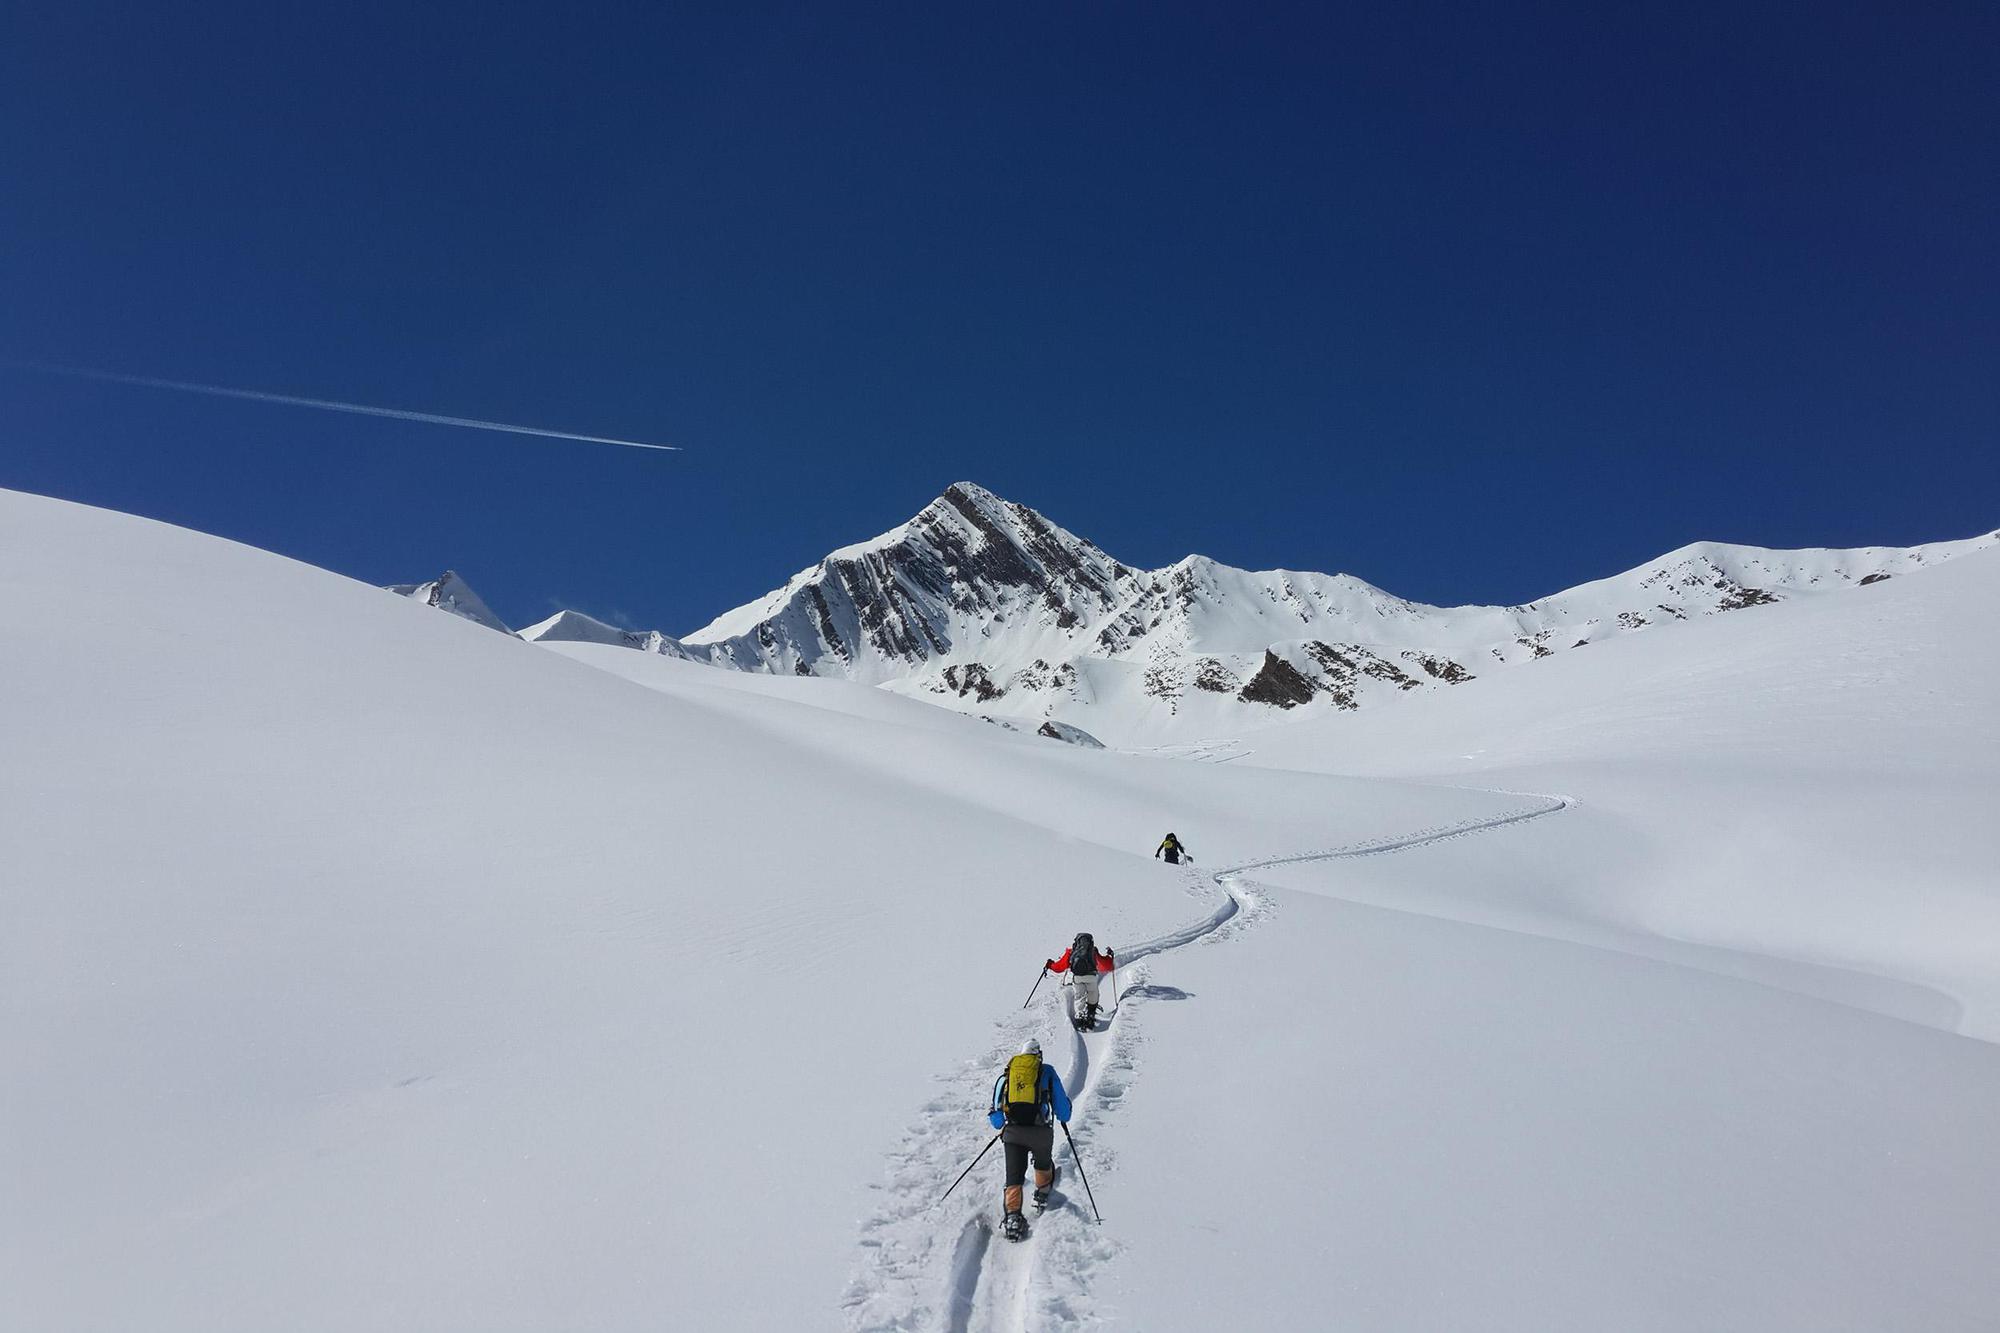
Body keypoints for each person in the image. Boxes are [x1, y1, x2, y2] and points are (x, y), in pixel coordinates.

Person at [988, 1038, 1072, 1239]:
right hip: (1040, 1133)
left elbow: (996, 1119)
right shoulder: (1047, 1072)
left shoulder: (1007, 1075)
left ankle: (1013, 1217)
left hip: (1013, 1134)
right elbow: (1063, 1112)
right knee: (1043, 1165)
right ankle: (1042, 1194)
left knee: (1013, 1177)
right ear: (1038, 1055)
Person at [1046, 932, 1115, 1030]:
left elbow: (1059, 967)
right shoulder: (1093, 951)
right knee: (1093, 993)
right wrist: (1110, 957)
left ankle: (1080, 1013)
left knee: (1079, 995)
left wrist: (1050, 965)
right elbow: (1106, 966)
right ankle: (1090, 1013)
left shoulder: (1071, 951)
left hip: (1077, 977)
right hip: (1091, 977)